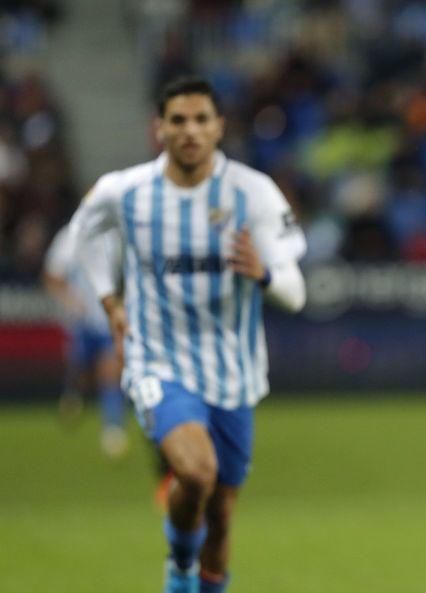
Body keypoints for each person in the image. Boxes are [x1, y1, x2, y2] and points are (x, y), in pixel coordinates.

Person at [70, 76, 307, 593]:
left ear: (219, 126)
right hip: (157, 362)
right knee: (196, 473)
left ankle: (197, 574)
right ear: (159, 128)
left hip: (234, 374)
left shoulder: (253, 193)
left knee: (221, 517)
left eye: (201, 119)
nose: (190, 131)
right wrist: (110, 301)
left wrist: (264, 275)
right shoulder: (126, 191)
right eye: (178, 120)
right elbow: (82, 234)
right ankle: (179, 565)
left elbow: (296, 290)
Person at [43, 223, 129, 459]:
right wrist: (69, 300)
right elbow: (52, 275)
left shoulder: (114, 237)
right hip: (79, 320)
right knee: (79, 369)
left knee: (110, 371)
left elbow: (124, 275)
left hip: (105, 318)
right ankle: (72, 396)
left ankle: (113, 429)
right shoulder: (69, 236)